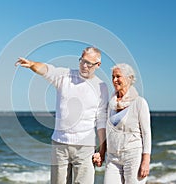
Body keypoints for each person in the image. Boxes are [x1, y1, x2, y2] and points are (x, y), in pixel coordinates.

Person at [15, 47, 108, 184]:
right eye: (82, 61)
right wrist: (32, 65)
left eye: (89, 63)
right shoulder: (65, 76)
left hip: (85, 147)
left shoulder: (101, 86)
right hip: (60, 144)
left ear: (98, 65)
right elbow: (47, 70)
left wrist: (102, 149)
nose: (84, 65)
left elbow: (101, 119)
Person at [93, 63, 151, 184]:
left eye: (118, 76)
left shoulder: (139, 103)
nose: (114, 80)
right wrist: (102, 152)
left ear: (129, 78)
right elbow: (108, 132)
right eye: (113, 77)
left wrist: (146, 161)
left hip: (133, 156)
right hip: (112, 157)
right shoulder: (111, 104)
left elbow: (146, 134)